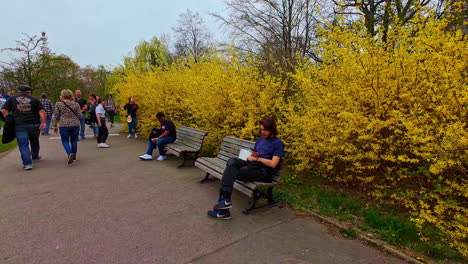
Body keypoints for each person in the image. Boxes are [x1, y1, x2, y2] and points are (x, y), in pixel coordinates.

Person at [207, 117, 284, 220]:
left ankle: (224, 207)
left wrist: (257, 159)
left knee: (231, 171)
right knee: (232, 162)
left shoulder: (277, 143)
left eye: (265, 130)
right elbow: (256, 154)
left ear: (272, 129)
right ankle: (224, 201)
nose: (262, 132)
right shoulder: (260, 140)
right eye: (261, 129)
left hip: (262, 172)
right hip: (251, 165)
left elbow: (273, 164)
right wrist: (253, 155)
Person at [1, 85, 46, 170]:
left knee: (23, 144)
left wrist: (9, 119)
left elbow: (3, 110)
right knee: (34, 140)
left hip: (19, 124)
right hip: (34, 124)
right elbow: (42, 111)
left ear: (19, 91)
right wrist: (43, 122)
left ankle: (27, 164)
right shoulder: (34, 99)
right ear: (29, 92)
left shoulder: (11, 99)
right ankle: (35, 156)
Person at [52, 89, 82, 164]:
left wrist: (55, 125)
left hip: (64, 125)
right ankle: (74, 157)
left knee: (65, 141)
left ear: (62, 96)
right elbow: (80, 116)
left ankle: (69, 153)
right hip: (75, 124)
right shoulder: (76, 104)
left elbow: (56, 116)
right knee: (74, 141)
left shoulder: (58, 104)